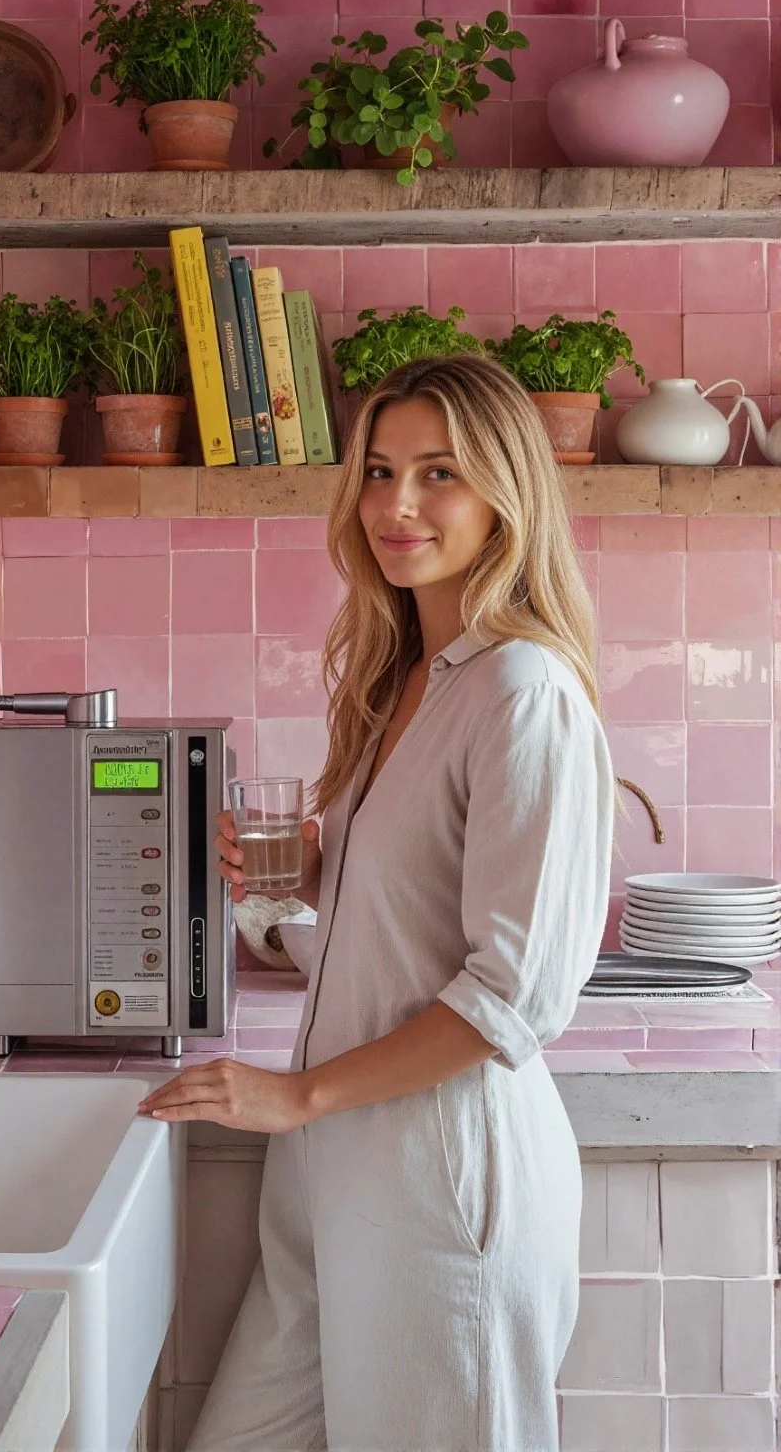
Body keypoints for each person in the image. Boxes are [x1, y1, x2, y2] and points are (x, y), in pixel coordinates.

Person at [138, 355, 616, 1452]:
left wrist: (294, 1097)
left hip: (441, 1189)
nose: (396, 506)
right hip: (334, 1178)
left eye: (438, 473)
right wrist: (316, 876)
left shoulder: (522, 691)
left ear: (505, 495)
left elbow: (511, 997)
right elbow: (412, 914)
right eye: (381, 470)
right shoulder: (413, 675)